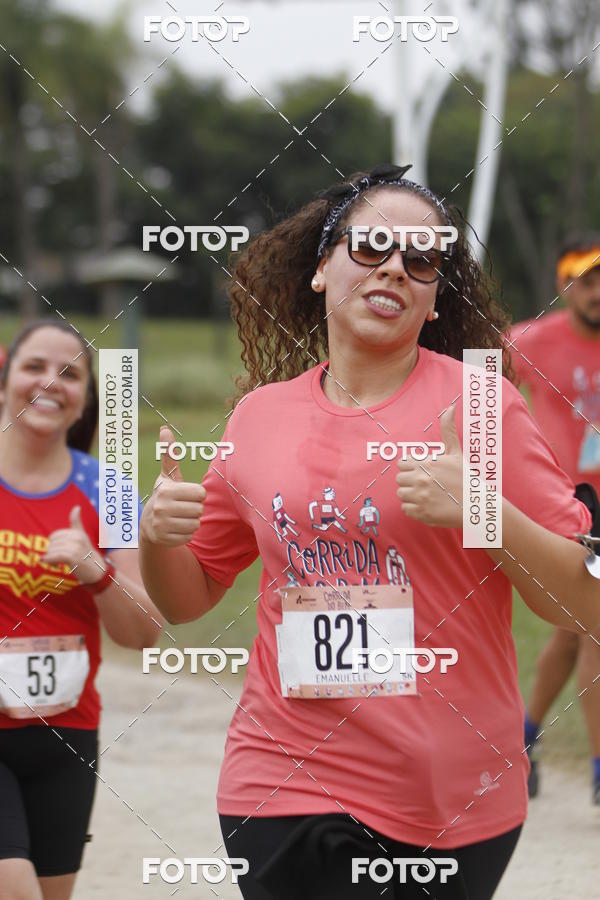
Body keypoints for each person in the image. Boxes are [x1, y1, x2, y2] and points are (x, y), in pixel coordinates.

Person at [140, 164, 600, 899]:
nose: (394, 266)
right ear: (323, 267)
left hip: (448, 794)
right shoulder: (260, 418)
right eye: (371, 246)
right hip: (279, 772)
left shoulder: (481, 407)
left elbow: (582, 604)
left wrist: (481, 508)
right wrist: (159, 536)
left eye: (422, 260)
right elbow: (186, 599)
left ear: (431, 299)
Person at [0, 320, 163, 900]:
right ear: (5, 382)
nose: (51, 382)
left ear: (86, 400)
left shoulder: (110, 493)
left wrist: (98, 571)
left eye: (70, 373)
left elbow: (144, 633)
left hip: (65, 734)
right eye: (34, 367)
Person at [510, 234, 600, 803]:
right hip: (569, 506)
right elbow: (473, 392)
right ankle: (598, 767)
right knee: (592, 630)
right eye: (588, 281)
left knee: (574, 635)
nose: (599, 293)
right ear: (564, 285)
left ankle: (522, 737)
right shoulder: (529, 341)